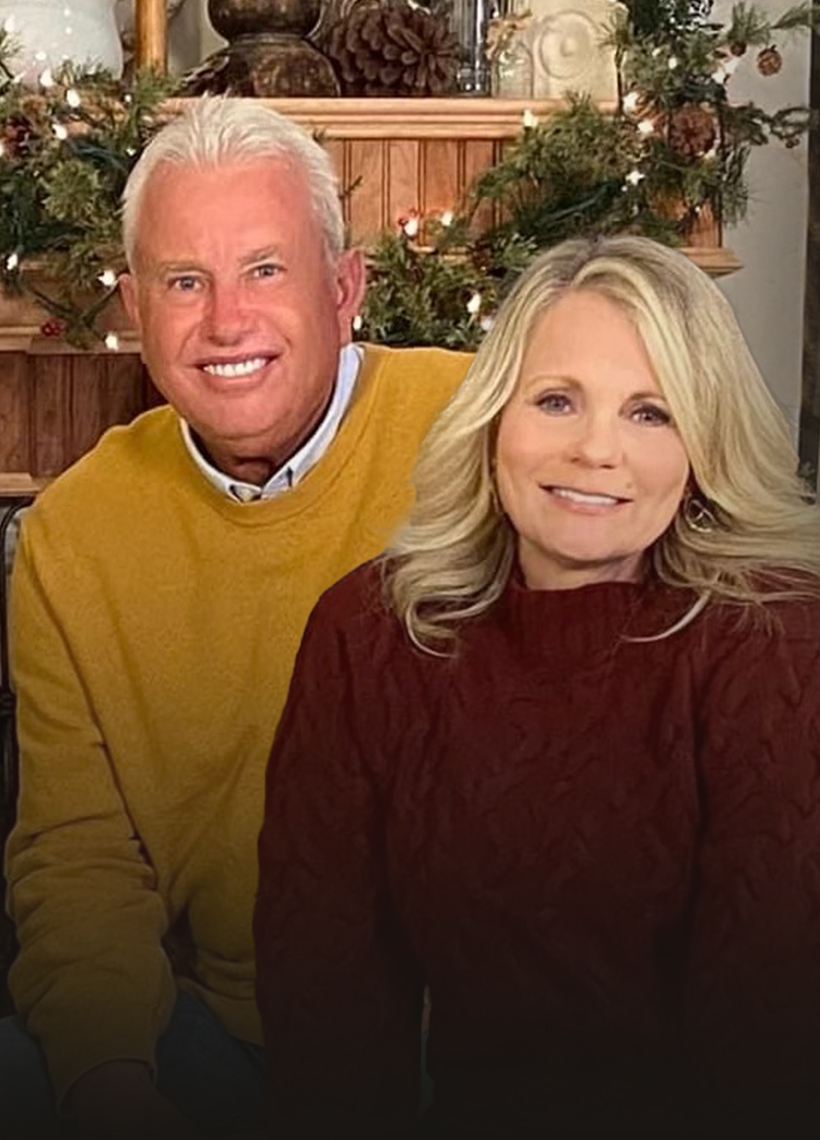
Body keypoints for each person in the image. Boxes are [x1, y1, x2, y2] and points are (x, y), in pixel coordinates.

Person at [255, 234, 820, 1138]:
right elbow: (326, 1004)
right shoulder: (370, 635)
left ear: (701, 448)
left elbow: (765, 1054)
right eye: (557, 400)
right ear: (494, 421)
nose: (597, 450)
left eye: (651, 413)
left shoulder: (776, 642)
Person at [1, 98, 470, 1140]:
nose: (225, 322)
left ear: (343, 290)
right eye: (184, 282)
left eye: (264, 269)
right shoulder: (75, 534)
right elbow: (79, 857)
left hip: (469, 1034)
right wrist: (108, 1083)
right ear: (134, 307)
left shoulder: (480, 430)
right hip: (224, 1031)